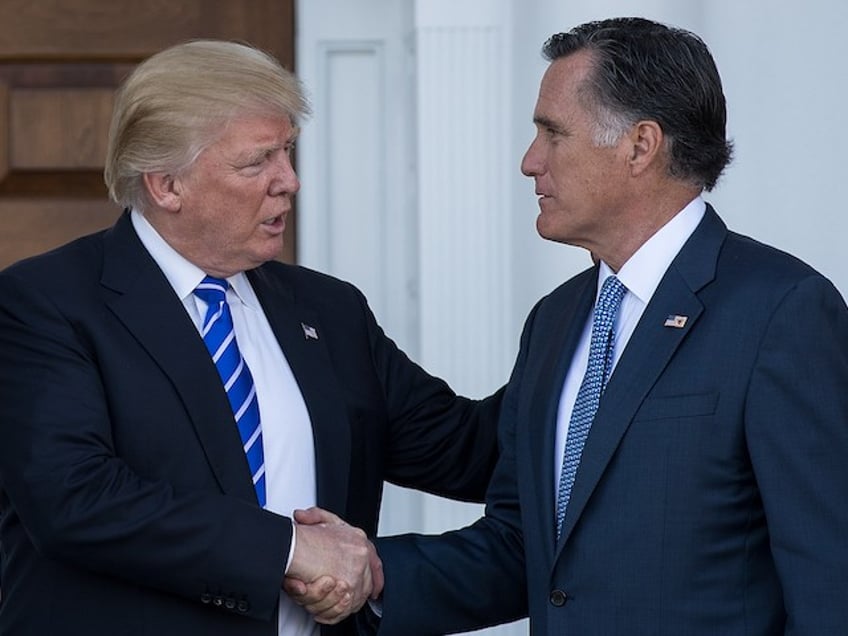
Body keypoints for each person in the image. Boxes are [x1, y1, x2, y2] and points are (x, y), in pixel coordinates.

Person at [294, 16, 848, 635]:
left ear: (641, 146)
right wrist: (371, 573)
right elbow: (524, 548)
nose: (531, 162)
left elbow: (829, 575)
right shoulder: (556, 321)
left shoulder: (782, 310)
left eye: (552, 134)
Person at [0, 40, 503, 636]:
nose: (288, 181)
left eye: (288, 152)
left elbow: (471, 451)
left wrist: (595, 321)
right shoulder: (46, 302)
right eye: (256, 161)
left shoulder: (329, 309)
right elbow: (76, 500)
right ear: (166, 185)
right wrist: (288, 549)